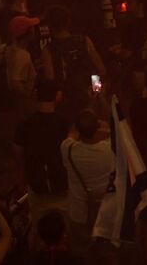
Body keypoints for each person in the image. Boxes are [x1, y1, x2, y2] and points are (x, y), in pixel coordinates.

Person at [14, 79, 70, 225]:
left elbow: (19, 155)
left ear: (35, 95)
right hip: (62, 183)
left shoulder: (24, 124)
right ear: (57, 96)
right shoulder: (64, 123)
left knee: (39, 228)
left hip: (36, 184)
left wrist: (21, 181)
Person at [60, 109, 113, 254]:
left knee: (81, 252)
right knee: (105, 252)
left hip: (78, 213)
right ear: (97, 129)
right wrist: (103, 124)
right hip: (104, 212)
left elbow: (70, 135)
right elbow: (115, 132)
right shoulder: (108, 151)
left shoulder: (68, 149)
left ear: (78, 130)